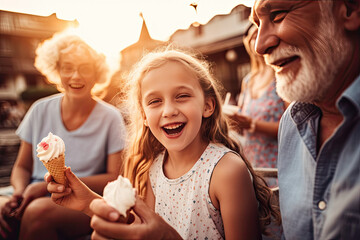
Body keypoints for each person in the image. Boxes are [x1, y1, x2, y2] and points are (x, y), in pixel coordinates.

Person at [45, 48, 281, 239]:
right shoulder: (154, 168)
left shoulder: (227, 171)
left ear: (208, 106)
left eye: (182, 96)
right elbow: (141, 228)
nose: (168, 110)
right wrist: (88, 202)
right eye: (155, 101)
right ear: (144, 117)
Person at [0, 31, 127, 239]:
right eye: (68, 68)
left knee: (37, 213)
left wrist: (45, 188)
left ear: (97, 73)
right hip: (32, 191)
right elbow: (22, 167)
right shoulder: (39, 109)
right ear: (57, 70)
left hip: (83, 198)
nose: (76, 76)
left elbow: (114, 177)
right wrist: (18, 192)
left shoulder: (111, 117)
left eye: (85, 68)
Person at [250, 0, 360, 239]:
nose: (260, 45)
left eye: (278, 15)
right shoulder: (291, 122)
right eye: (257, 25)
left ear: (350, 10)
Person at [229, 24, 287, 176]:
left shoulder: (281, 74)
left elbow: (292, 126)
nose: (256, 38)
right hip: (252, 164)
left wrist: (253, 124)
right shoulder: (248, 81)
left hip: (277, 164)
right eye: (251, 36)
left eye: (258, 33)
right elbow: (241, 122)